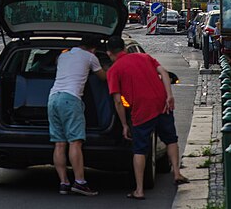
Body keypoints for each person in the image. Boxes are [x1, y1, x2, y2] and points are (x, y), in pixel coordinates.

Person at [106, 36, 188, 200]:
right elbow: (164, 72)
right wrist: (169, 95)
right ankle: (177, 174)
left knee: (140, 149)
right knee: (171, 139)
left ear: (109, 53)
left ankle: (139, 190)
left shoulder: (113, 70)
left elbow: (117, 101)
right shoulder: (145, 57)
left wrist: (124, 124)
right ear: (124, 48)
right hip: (161, 103)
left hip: (142, 110)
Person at [47, 34, 106, 196]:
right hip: (70, 99)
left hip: (53, 98)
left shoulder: (63, 55)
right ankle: (80, 182)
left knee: (59, 144)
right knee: (75, 142)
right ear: (93, 48)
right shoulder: (90, 57)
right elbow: (104, 78)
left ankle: (63, 183)